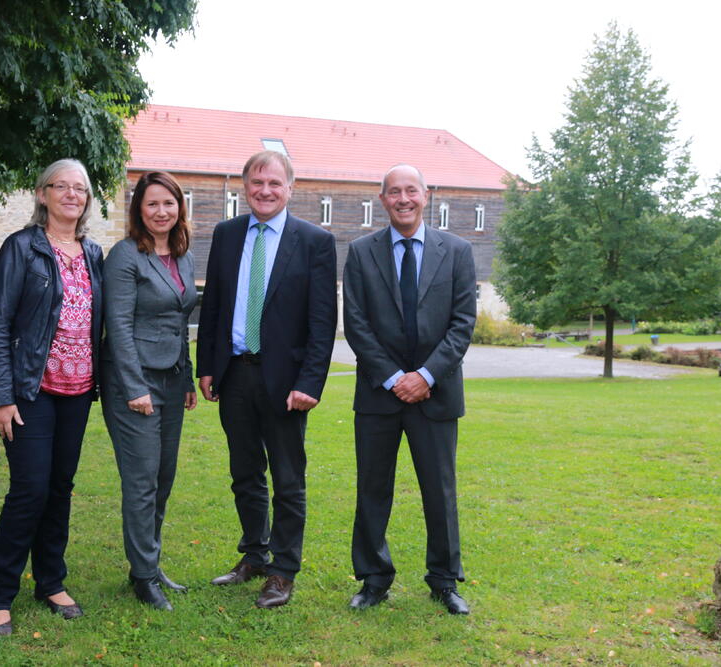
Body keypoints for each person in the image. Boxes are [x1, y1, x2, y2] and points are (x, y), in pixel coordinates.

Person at [196, 150, 337, 608]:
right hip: (235, 374)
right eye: (257, 182)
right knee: (244, 473)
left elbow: (322, 323)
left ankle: (283, 571)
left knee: (288, 478)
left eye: (274, 183)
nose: (265, 190)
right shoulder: (226, 233)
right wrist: (207, 366)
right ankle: (254, 555)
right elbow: (213, 304)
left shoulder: (314, 241)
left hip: (286, 383)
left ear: (290, 188)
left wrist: (310, 383)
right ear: (244, 186)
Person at [0, 158, 105, 636]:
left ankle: (51, 581)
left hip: (77, 393)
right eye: (62, 186)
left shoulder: (93, 253)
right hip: (31, 391)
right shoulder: (21, 249)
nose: (72, 194)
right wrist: (0, 395)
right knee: (29, 490)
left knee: (60, 489)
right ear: (42, 194)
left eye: (80, 188)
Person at [342, 164, 477, 614]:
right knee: (372, 489)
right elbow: (356, 323)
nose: (403, 198)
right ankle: (374, 577)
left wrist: (426, 376)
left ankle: (444, 580)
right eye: (394, 191)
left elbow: (462, 324)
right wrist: (394, 377)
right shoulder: (361, 252)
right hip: (379, 394)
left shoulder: (456, 251)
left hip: (436, 395)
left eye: (411, 190)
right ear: (382, 199)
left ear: (425, 196)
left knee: (439, 491)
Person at [101, 171, 198, 611]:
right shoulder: (125, 255)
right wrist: (133, 386)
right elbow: (117, 325)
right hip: (134, 382)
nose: (162, 212)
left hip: (173, 379)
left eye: (169, 203)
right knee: (141, 481)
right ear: (139, 209)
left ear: (180, 207)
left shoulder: (183, 255)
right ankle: (143, 577)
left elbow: (181, 323)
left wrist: (189, 376)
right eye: (152, 204)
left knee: (163, 479)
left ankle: (150, 563)